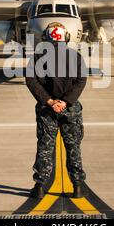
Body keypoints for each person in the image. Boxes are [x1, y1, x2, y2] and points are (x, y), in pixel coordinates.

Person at [26, 23, 87, 199]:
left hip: (47, 109)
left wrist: (50, 101)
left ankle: (39, 186)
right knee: (73, 147)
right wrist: (66, 102)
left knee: (45, 146)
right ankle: (77, 187)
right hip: (71, 109)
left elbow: (31, 80)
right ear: (65, 37)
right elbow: (81, 81)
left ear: (46, 37)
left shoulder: (37, 57)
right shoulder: (75, 57)